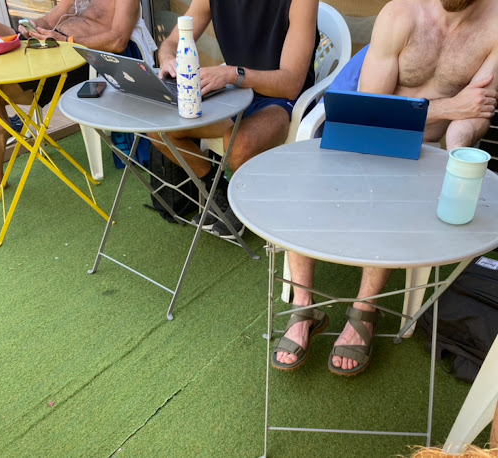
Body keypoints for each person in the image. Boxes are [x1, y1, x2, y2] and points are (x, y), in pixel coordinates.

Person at [274, 0, 498, 375]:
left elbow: (475, 109)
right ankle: (303, 306)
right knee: (304, 191)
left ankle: (364, 309)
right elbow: (371, 112)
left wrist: (457, 155)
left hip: (427, 152)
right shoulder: (400, 14)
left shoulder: (494, 27)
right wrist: (449, 107)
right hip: (367, 138)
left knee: (396, 205)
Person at [152, 0, 319, 239]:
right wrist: (168, 58)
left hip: (282, 101)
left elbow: (291, 84)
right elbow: (171, 42)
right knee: (159, 128)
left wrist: (232, 74)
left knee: (239, 143)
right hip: (234, 93)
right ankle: (217, 190)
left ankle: (244, 199)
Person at [0, 0, 155, 199]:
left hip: (78, 57)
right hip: (49, 47)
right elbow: (50, 19)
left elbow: (117, 41)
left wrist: (66, 39)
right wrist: (33, 26)